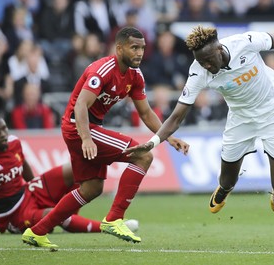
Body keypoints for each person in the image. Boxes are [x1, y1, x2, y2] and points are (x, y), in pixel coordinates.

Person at [125, 25, 274, 215]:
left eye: (209, 60)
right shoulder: (198, 71)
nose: (207, 65)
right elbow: (177, 116)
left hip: (273, 112)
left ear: (220, 49)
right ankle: (223, 190)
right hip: (240, 118)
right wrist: (152, 143)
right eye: (202, 62)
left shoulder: (244, 43)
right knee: (227, 180)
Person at [21, 27, 189, 249]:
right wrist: (87, 138)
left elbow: (146, 113)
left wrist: (169, 137)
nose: (139, 53)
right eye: (134, 47)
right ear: (119, 48)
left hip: (84, 129)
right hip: (78, 127)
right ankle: (114, 218)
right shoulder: (103, 70)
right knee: (143, 156)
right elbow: (81, 105)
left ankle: (36, 232)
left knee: (91, 188)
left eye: (142, 48)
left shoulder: (135, 75)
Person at [0, 114, 139, 235]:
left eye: (4, 129)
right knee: (54, 214)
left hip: (28, 192)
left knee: (74, 171)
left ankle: (72, 219)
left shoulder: (13, 142)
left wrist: (33, 183)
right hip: (13, 215)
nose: (3, 134)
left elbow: (23, 163)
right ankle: (104, 228)